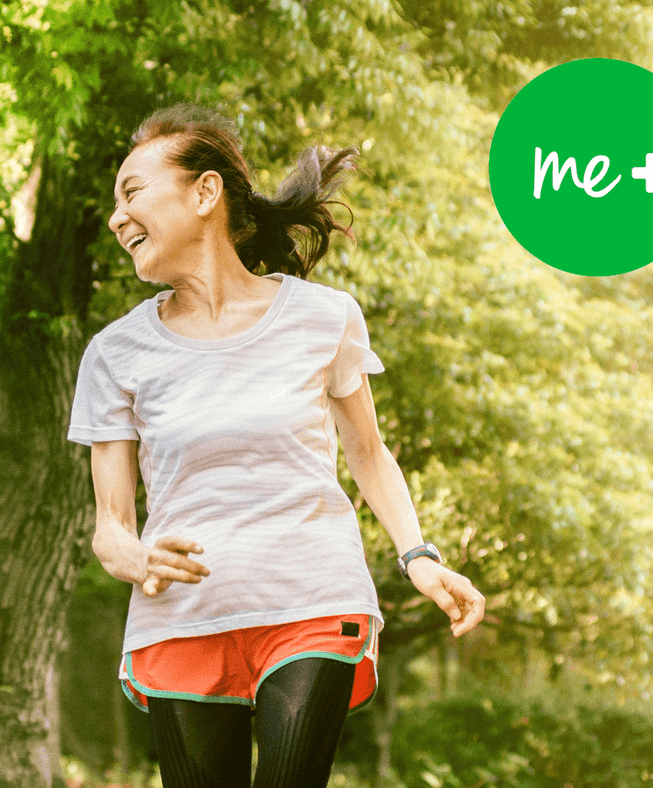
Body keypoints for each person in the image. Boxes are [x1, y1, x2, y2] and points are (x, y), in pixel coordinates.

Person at [68, 105, 486, 787]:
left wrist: (418, 557)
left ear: (204, 193)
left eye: (133, 192)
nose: (117, 218)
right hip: (183, 617)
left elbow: (369, 453)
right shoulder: (115, 354)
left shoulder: (323, 317)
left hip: (311, 597)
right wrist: (138, 554)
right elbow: (109, 531)